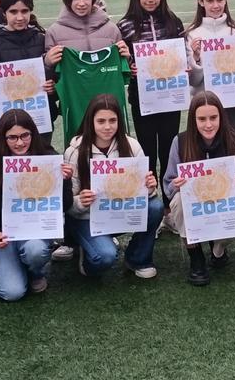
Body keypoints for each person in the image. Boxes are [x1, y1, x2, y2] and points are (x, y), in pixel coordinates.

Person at [162, 91, 235, 286]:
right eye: (202, 118)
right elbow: (168, 187)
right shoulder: (180, 141)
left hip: (220, 205)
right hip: (194, 204)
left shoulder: (231, 141)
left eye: (213, 117)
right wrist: (176, 184)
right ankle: (195, 254)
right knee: (180, 200)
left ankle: (219, 248)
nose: (208, 124)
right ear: (193, 120)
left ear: (221, 117)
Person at [0, 109, 70, 301]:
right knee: (12, 292)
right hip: (5, 236)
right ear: (3, 139)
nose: (19, 142)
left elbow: (65, 205)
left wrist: (66, 181)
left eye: (25, 135)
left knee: (35, 250)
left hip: (35, 232)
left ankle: (35, 272)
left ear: (33, 134)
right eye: (12, 137)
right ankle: (8, 265)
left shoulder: (49, 159)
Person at [64, 94, 164, 278]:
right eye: (101, 121)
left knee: (156, 207)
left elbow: (146, 194)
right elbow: (67, 202)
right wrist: (80, 201)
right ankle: (87, 254)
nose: (107, 126)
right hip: (87, 218)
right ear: (90, 121)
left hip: (121, 212)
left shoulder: (132, 146)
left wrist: (149, 188)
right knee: (104, 257)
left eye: (113, 120)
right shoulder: (74, 152)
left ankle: (137, 259)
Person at [44, 0, 131, 144]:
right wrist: (47, 63)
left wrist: (126, 58)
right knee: (79, 154)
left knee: (114, 151)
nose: (81, 3)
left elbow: (124, 74)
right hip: (76, 108)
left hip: (108, 110)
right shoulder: (54, 32)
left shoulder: (111, 30)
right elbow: (52, 79)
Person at [118, 0, 185, 182]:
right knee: (146, 148)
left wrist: (185, 66)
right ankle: (150, 192)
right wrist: (130, 67)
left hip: (170, 96)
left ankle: (168, 197)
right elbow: (122, 65)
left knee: (168, 146)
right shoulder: (125, 26)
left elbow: (182, 56)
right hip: (142, 97)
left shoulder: (173, 22)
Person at [0, 0, 57, 138]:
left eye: (24, 11)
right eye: (13, 12)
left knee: (41, 160)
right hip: (6, 126)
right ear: (4, 12)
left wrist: (53, 88)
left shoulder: (42, 39)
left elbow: (56, 77)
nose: (20, 17)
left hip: (41, 122)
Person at [183, 0, 235, 137]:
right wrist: (195, 58)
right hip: (204, 107)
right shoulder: (192, 35)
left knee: (233, 150)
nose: (215, 5)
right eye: (210, 0)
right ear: (200, 2)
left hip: (233, 106)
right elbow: (194, 82)